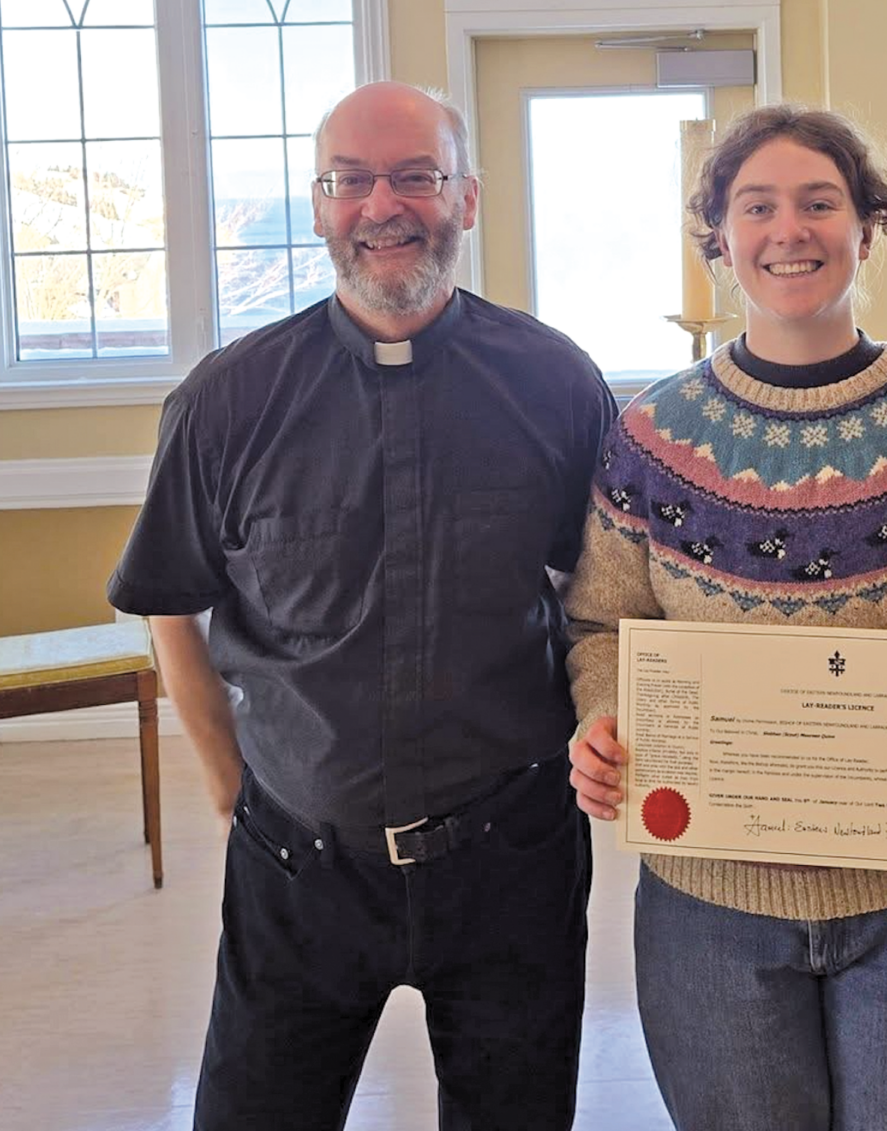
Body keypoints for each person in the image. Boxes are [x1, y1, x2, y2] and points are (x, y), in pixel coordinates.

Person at [106, 81, 615, 1130]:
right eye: (353, 181)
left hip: (511, 858)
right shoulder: (226, 401)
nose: (385, 205)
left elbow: (598, 592)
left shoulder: (557, 384)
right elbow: (172, 603)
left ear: (466, 199)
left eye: (417, 176)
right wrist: (231, 790)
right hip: (297, 865)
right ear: (319, 204)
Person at [561, 104, 887, 1131]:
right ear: (720, 241)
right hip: (708, 910)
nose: (789, 230)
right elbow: (603, 625)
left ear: (867, 228)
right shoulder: (649, 441)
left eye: (819, 203)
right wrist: (608, 722)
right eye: (758, 207)